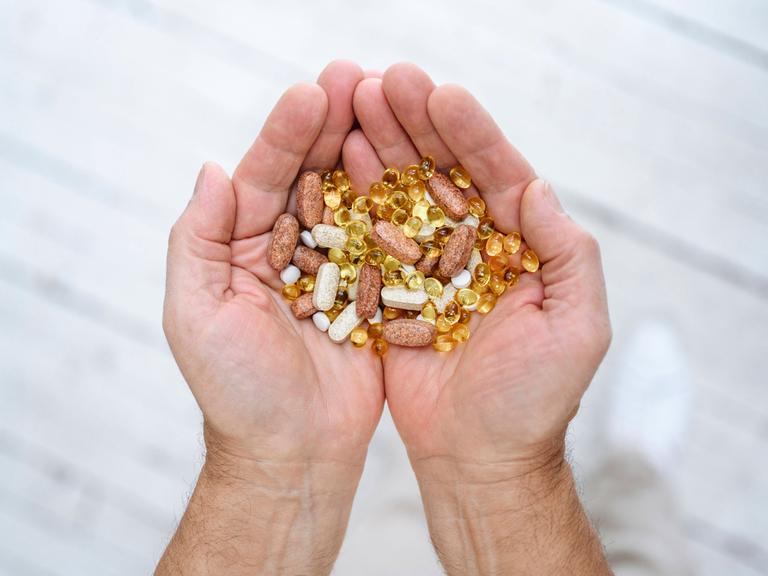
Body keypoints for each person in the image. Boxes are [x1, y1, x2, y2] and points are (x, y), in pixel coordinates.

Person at [157, 61, 613, 575]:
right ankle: (630, 465)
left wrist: (511, 470)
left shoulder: (414, 260)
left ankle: (631, 465)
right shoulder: (337, 261)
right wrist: (509, 479)